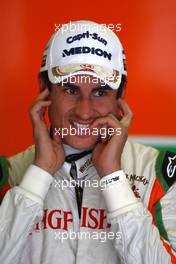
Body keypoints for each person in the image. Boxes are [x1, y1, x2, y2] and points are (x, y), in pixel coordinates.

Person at [0, 20, 176, 264]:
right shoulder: (7, 175)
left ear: (120, 97)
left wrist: (114, 178)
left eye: (100, 92)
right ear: (44, 89)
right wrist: (39, 173)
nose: (84, 112)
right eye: (70, 90)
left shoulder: (161, 175)